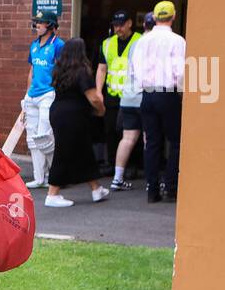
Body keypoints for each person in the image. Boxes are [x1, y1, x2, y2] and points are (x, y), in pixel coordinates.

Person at [129, 0, 185, 203]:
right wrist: (181, 91)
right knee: (176, 142)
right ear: (173, 16)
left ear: (154, 17)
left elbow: (134, 69)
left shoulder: (142, 40)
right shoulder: (177, 40)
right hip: (167, 94)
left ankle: (152, 190)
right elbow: (180, 72)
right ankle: (171, 187)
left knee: (151, 143)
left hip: (147, 95)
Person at [44, 38, 110, 207]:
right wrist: (101, 110)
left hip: (58, 112)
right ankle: (52, 194)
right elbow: (93, 98)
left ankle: (96, 189)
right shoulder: (82, 71)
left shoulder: (59, 69)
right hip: (73, 116)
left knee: (84, 150)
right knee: (63, 152)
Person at [95, 10, 141, 190]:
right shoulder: (107, 44)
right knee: (111, 131)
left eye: (121, 25)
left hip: (133, 95)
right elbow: (101, 69)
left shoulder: (140, 41)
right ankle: (113, 164)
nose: (117, 28)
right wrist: (99, 92)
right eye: (115, 25)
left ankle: (133, 166)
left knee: (131, 134)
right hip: (113, 96)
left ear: (129, 23)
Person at [22, 11, 64, 189]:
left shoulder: (58, 45)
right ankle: (39, 178)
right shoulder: (34, 45)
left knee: (44, 136)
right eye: (36, 22)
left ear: (50, 25)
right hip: (32, 96)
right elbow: (31, 72)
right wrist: (26, 96)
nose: (37, 25)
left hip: (49, 94)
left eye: (40, 22)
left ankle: (55, 176)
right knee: (32, 139)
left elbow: (63, 71)